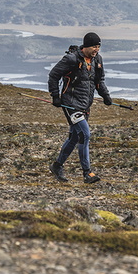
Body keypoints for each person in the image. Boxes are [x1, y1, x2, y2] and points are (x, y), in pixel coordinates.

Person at [48, 32, 112, 184]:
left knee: (75, 137)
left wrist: (106, 96)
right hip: (70, 103)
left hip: (85, 104)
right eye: (93, 46)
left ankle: (57, 166)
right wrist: (55, 96)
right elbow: (53, 75)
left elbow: (99, 81)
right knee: (85, 134)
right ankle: (87, 173)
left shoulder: (98, 60)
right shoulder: (71, 59)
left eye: (98, 46)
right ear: (86, 46)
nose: (96, 49)